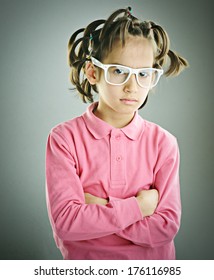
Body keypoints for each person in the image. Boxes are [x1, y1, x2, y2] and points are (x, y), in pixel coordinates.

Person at [46, 7, 188, 260]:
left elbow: (165, 228)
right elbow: (67, 223)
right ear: (92, 72)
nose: (132, 86)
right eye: (119, 71)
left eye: (143, 74)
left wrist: (98, 209)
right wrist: (139, 208)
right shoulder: (64, 139)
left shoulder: (164, 143)